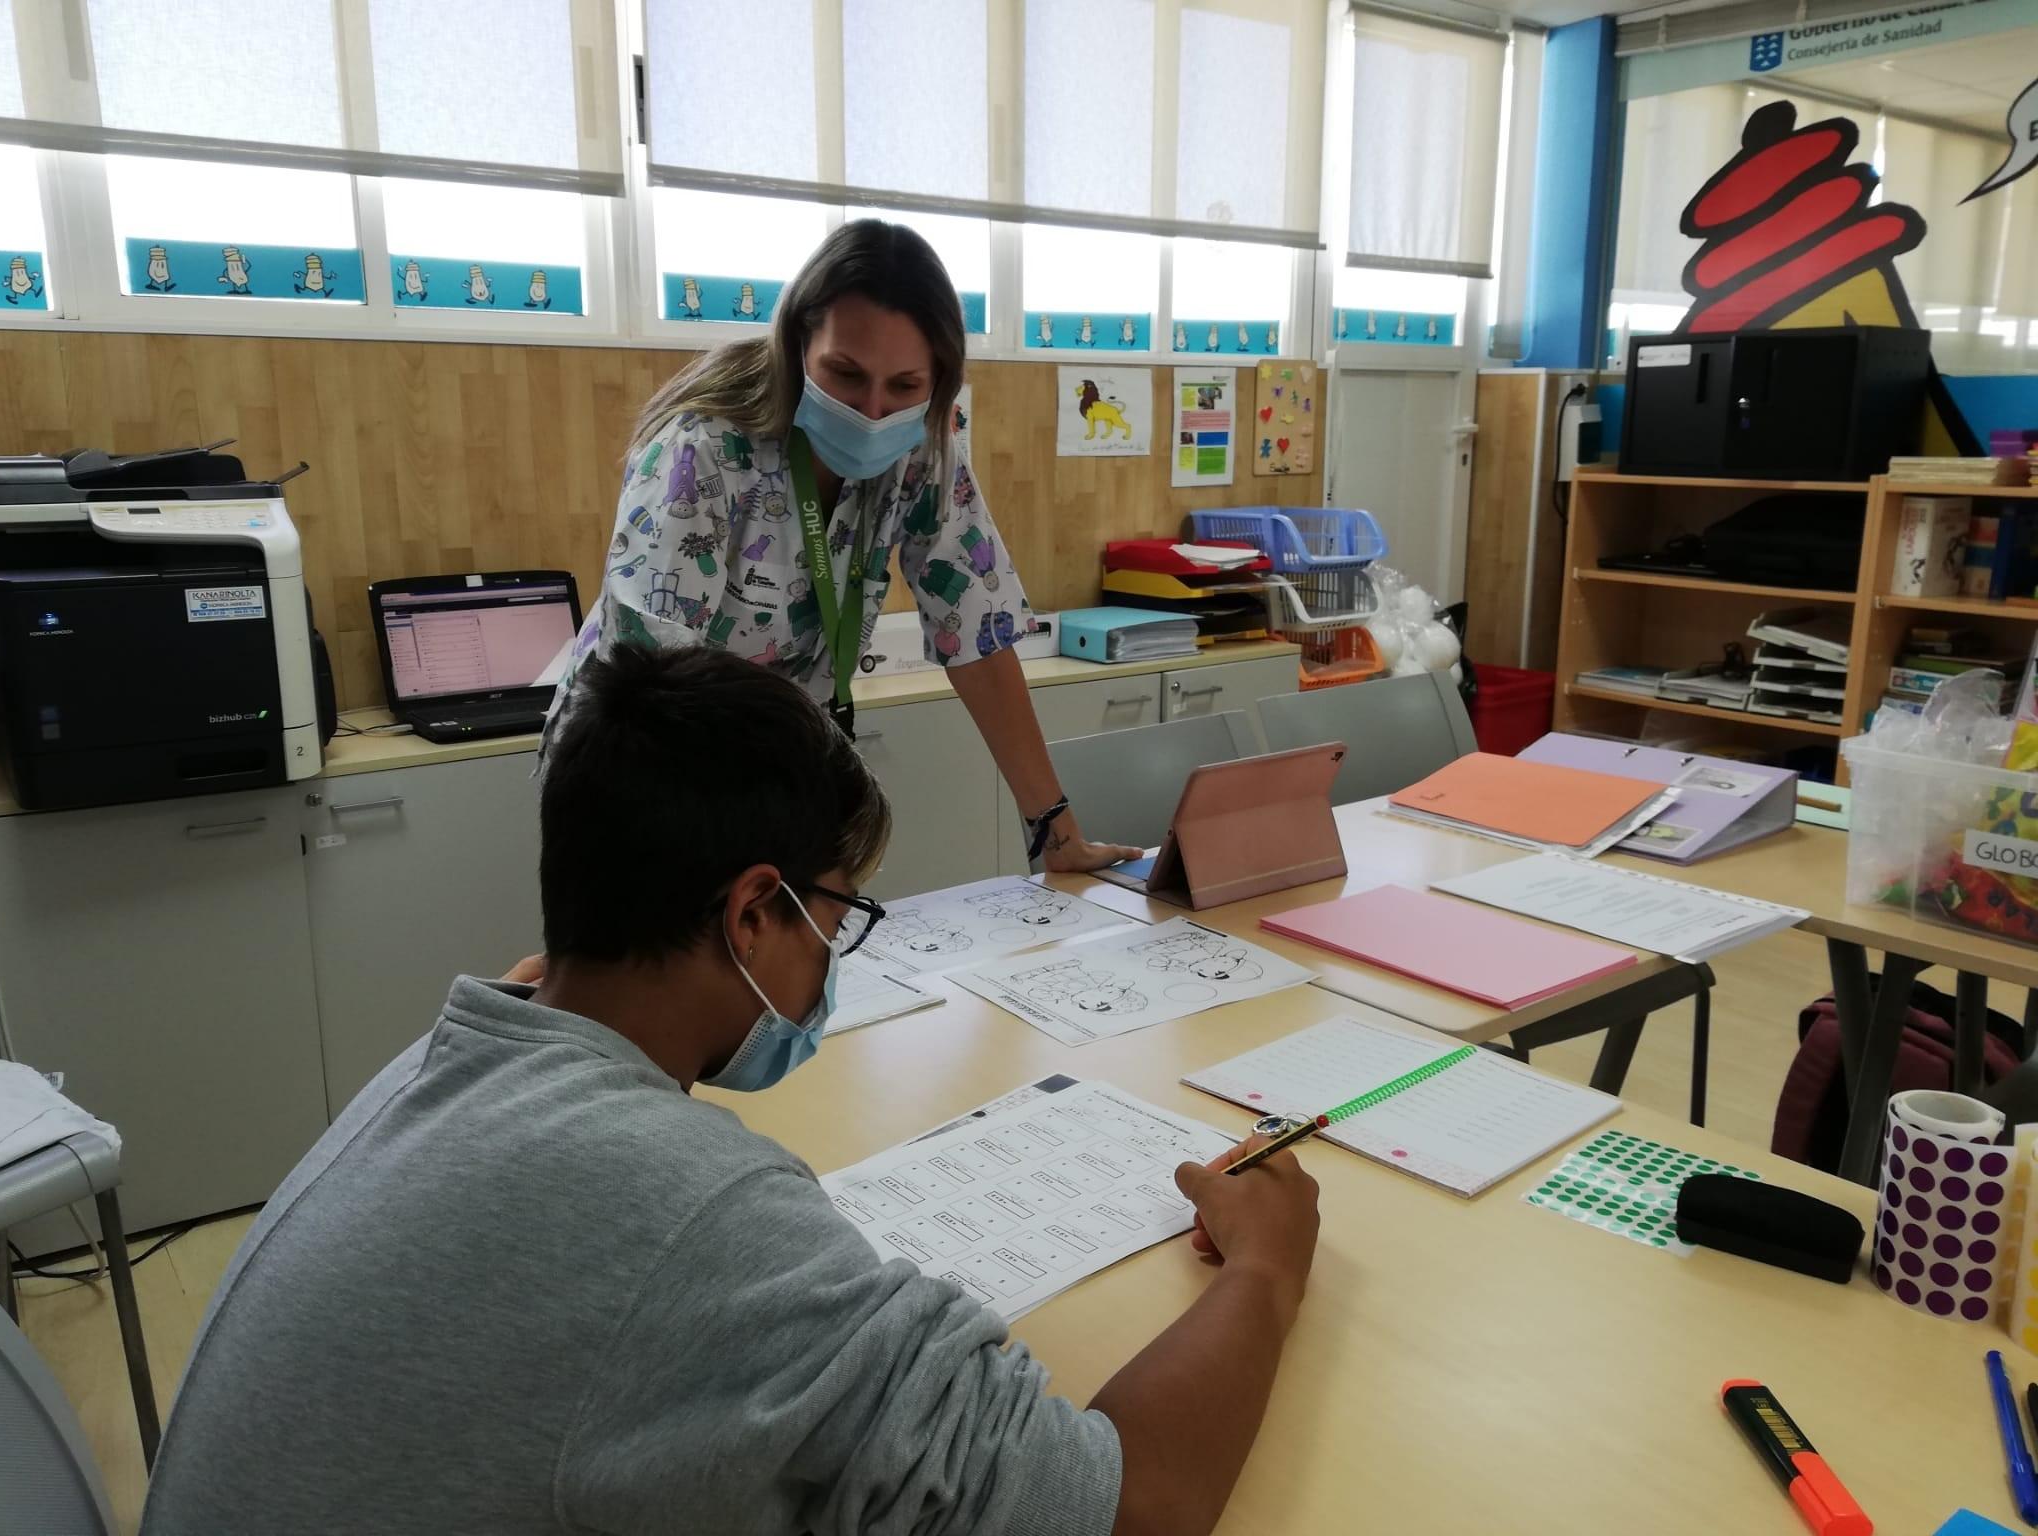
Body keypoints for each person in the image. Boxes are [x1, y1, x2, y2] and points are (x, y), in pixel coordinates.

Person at [140, 645, 1320, 1536]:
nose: (832, 960)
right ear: (753, 913)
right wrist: (1263, 1267)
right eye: (836, 912)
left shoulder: (460, 1051)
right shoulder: (682, 1212)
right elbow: (1124, 1510)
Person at [549, 218, 1135, 874]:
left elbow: (979, 634)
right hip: (642, 767)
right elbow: (647, 680)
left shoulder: (922, 454)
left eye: (905, 387)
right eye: (846, 375)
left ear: (938, 384)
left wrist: (1055, 832)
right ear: (800, 341)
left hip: (783, 770)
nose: (873, 411)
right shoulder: (701, 451)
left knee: (801, 964)